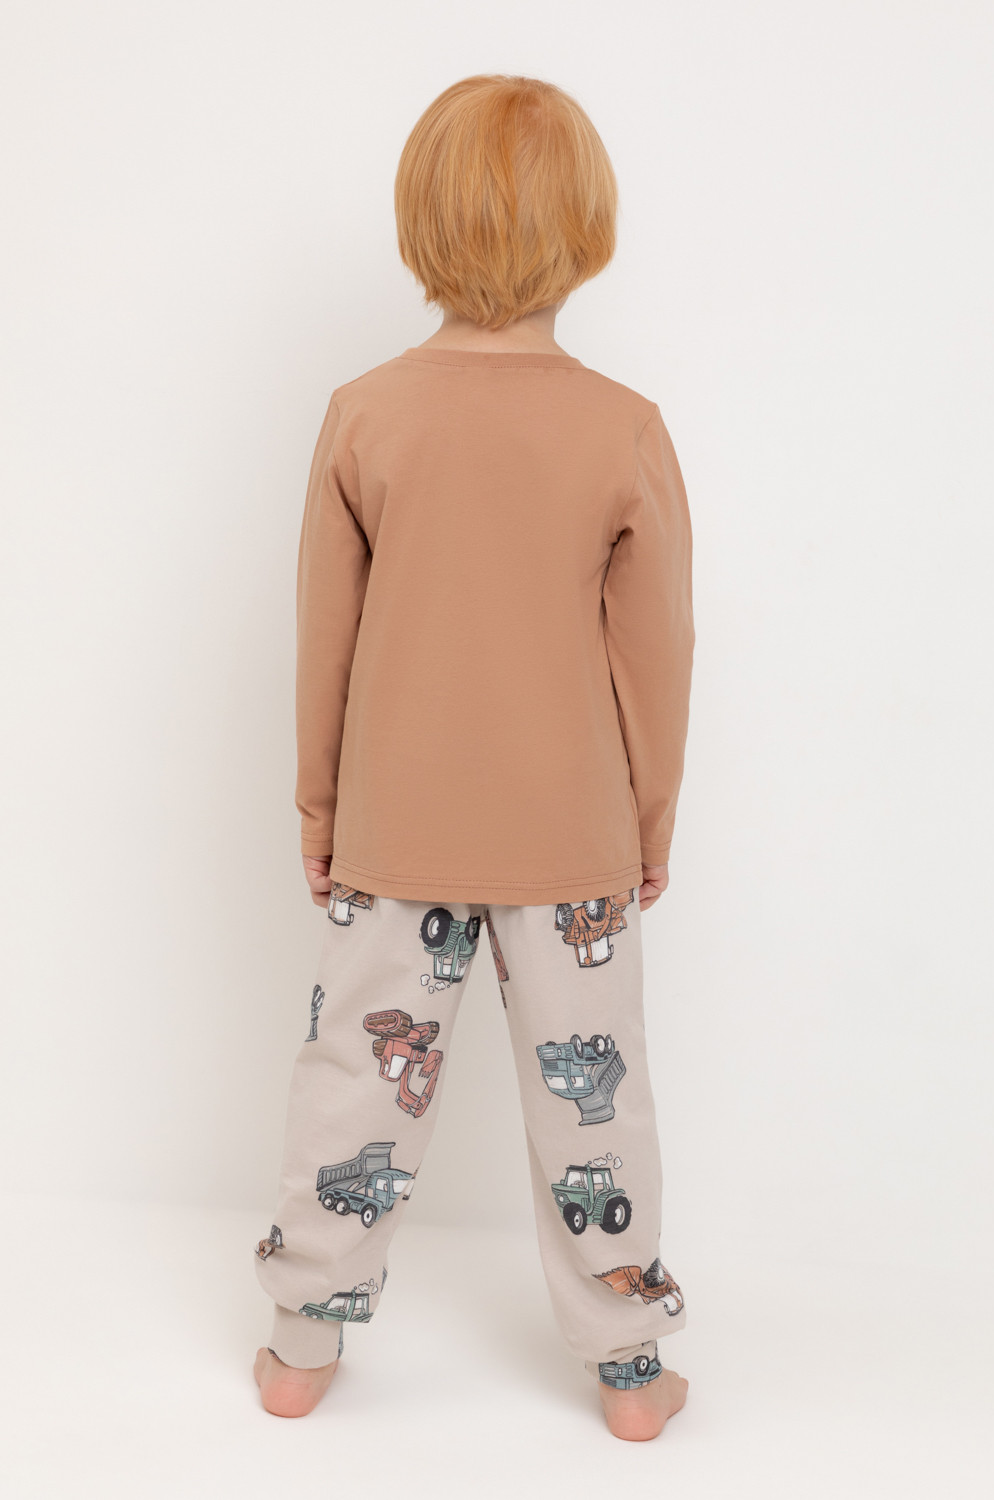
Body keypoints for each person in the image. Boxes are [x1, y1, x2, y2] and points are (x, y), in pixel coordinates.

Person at [252, 73, 695, 1443]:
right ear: (588, 231)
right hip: (571, 839)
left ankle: (299, 1348)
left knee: (352, 1088)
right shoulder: (622, 426)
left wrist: (322, 811)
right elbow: (657, 654)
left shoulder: (365, 414)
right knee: (595, 1104)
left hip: (397, 828)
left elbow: (325, 638)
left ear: (421, 224)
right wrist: (649, 823)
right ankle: (631, 1370)